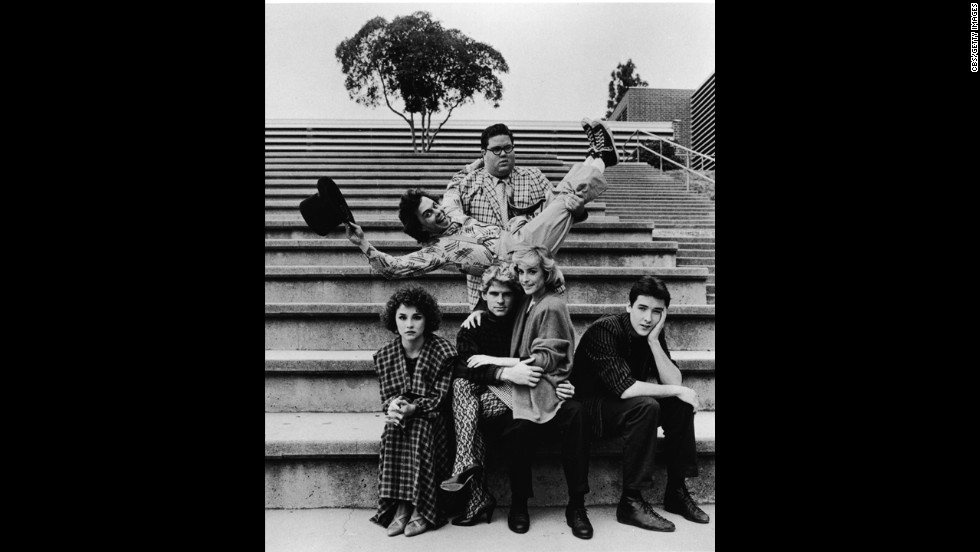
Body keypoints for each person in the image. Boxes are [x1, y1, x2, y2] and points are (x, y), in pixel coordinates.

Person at [343, 119, 619, 308]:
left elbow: (452, 185)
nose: (437, 212)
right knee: (562, 201)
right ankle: (601, 158)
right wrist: (363, 244)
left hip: (518, 237)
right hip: (513, 258)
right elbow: (394, 268)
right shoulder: (437, 251)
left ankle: (598, 156)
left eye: (434, 205)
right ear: (421, 228)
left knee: (561, 197)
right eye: (428, 215)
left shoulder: (450, 209)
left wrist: (472, 165)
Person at [440, 263, 576, 530]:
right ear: (484, 295)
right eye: (493, 295)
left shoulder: (524, 317)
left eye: (506, 294)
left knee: (465, 401)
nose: (500, 300)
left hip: (522, 395)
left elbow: (547, 354)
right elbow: (464, 367)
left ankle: (469, 474)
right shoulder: (473, 326)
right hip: (491, 393)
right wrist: (503, 373)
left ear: (516, 296)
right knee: (461, 387)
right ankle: (473, 483)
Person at [570, 275, 710, 533]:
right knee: (648, 405)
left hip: (624, 408)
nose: (648, 318)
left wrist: (655, 342)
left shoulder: (651, 333)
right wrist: (678, 389)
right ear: (629, 307)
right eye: (642, 309)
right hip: (589, 410)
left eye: (657, 312)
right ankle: (631, 502)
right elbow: (625, 388)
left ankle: (676, 491)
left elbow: (673, 379)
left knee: (679, 404)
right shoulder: (605, 330)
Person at [481, 245, 593, 539]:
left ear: (546, 273)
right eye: (521, 271)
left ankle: (577, 505)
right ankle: (519, 502)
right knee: (516, 428)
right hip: (527, 386)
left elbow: (546, 357)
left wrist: (498, 363)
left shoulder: (551, 304)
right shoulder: (527, 300)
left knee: (576, 416)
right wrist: (476, 314)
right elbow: (495, 297)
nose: (526, 278)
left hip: (550, 386)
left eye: (532, 272)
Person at [368, 286, 457, 537]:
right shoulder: (385, 355)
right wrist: (395, 406)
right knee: (393, 427)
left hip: (434, 418)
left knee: (417, 427)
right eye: (402, 317)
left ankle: (422, 508)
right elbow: (387, 398)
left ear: (427, 319)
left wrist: (413, 408)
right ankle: (401, 505)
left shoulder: (444, 353)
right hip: (404, 417)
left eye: (417, 317)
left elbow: (439, 399)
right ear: (393, 320)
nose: (409, 324)